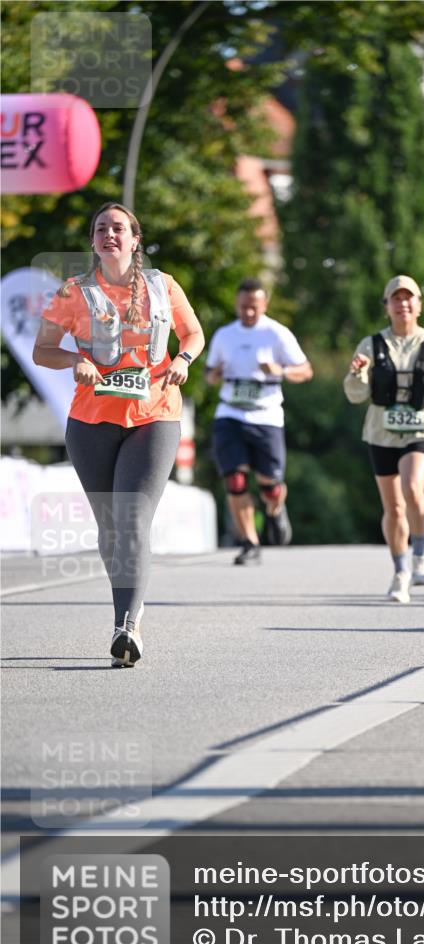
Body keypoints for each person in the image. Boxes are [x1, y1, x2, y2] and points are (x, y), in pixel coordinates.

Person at [33, 202, 205, 666]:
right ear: (93, 241)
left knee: (131, 519)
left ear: (135, 240)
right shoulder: (73, 292)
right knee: (110, 527)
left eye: (119, 228)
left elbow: (193, 334)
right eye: (101, 229)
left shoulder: (163, 285)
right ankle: (130, 603)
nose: (110, 234)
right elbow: (42, 350)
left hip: (155, 415)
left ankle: (126, 627)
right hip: (91, 422)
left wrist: (183, 360)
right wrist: (75, 360)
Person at [344, 274, 424, 604]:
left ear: (419, 305)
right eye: (395, 299)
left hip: (423, 428)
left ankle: (420, 553)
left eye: (409, 298)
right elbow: (355, 394)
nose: (403, 304)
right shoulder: (371, 345)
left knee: (412, 487)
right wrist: (357, 373)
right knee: (394, 508)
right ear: (387, 306)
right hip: (382, 431)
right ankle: (400, 571)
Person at [206, 279, 313, 565]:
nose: (249, 312)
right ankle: (249, 542)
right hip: (230, 413)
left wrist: (281, 370)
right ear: (236, 305)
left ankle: (275, 509)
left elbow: (306, 371)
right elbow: (209, 375)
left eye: (254, 307)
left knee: (270, 486)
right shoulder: (224, 335)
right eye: (244, 307)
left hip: (266, 416)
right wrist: (215, 374)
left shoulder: (277, 333)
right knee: (235, 480)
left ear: (265, 305)